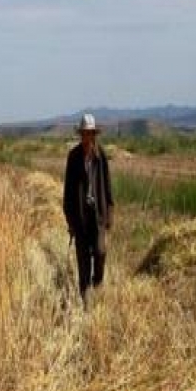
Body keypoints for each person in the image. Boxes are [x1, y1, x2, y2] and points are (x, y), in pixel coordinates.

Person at [63, 113, 114, 303]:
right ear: (80, 135)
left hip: (98, 216)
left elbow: (108, 188)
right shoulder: (73, 157)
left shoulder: (101, 157)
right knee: (83, 262)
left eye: (90, 134)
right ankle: (86, 302)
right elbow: (68, 192)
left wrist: (109, 215)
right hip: (80, 218)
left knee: (100, 252)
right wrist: (70, 221)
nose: (87, 137)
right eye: (84, 133)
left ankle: (97, 283)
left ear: (94, 135)